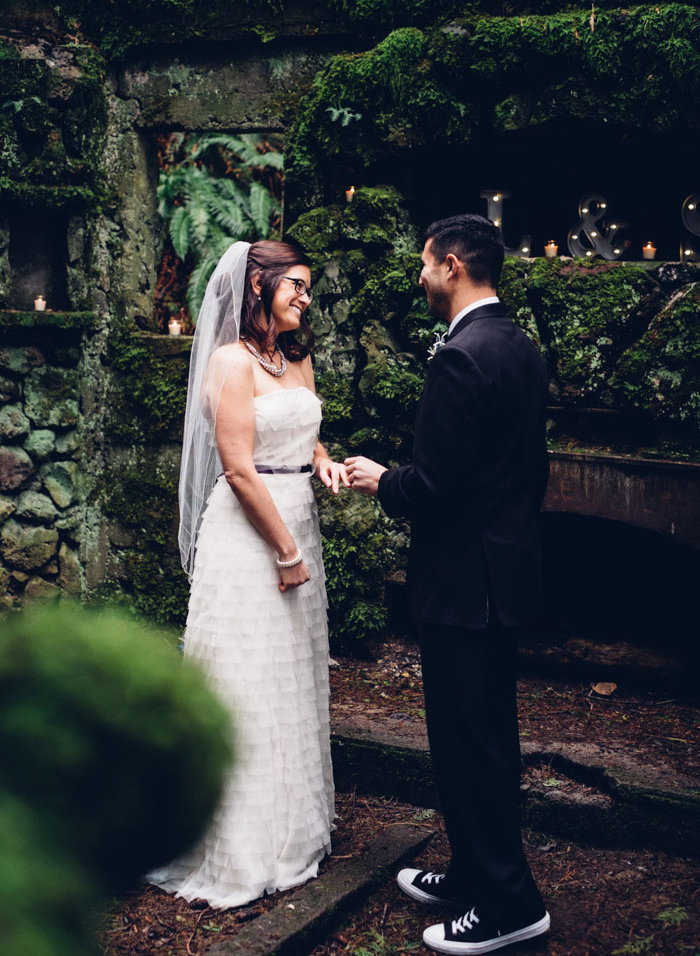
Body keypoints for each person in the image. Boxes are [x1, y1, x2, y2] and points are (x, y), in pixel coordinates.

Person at [345, 214, 551, 954]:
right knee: (483, 736)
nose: (419, 277)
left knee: (471, 745)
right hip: (503, 573)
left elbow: (436, 485)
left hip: (467, 584)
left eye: (425, 265)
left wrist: (380, 481)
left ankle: (509, 904)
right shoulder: (518, 345)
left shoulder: (462, 356)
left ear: (453, 265)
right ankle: (473, 870)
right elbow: (526, 471)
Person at [150, 239, 348, 909]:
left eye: (308, 287)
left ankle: (295, 830)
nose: (305, 297)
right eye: (295, 284)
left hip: (298, 521)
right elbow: (237, 468)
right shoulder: (230, 365)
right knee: (245, 677)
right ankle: (238, 844)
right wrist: (285, 553)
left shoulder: (295, 358)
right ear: (258, 288)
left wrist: (321, 460)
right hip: (250, 536)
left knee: (291, 673)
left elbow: (304, 430)